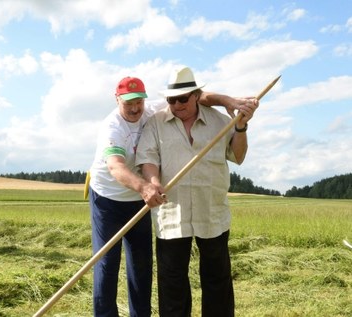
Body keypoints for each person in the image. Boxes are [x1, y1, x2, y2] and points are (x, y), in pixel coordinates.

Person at [88, 75, 257, 317]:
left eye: (139, 102)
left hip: (151, 203)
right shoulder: (115, 128)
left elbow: (206, 102)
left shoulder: (166, 110)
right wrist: (149, 185)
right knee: (107, 265)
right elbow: (120, 166)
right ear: (117, 100)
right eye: (128, 103)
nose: (176, 105)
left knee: (141, 267)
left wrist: (230, 105)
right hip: (111, 199)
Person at [135, 66, 259, 317]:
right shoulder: (156, 123)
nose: (177, 104)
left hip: (211, 210)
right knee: (172, 282)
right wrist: (152, 182)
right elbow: (147, 159)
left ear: (196, 95)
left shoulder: (219, 121)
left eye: (183, 98)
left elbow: (238, 155)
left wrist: (242, 127)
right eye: (172, 99)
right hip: (172, 212)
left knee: (217, 279)